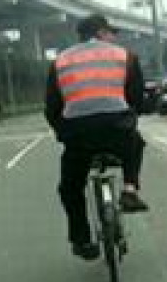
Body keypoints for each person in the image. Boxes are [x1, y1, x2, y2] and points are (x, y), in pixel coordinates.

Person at [45, 14, 149, 261]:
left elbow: (52, 108)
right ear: (101, 33)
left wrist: (65, 134)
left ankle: (81, 240)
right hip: (117, 130)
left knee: (70, 188)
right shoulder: (125, 56)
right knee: (135, 143)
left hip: (78, 135)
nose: (114, 38)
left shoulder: (60, 61)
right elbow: (136, 99)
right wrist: (130, 116)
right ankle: (129, 190)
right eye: (111, 33)